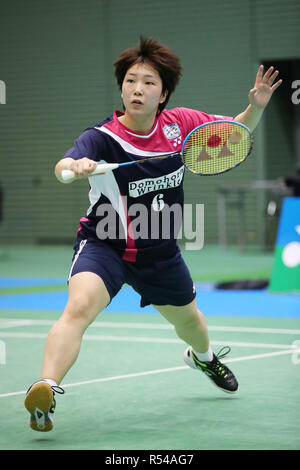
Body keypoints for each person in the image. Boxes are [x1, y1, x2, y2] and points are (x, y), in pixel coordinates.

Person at [24, 37, 282, 432]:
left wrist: (256, 108)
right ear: (121, 88)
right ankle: (46, 388)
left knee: (191, 324)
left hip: (160, 253)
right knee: (77, 309)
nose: (137, 89)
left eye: (148, 82)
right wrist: (74, 166)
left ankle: (203, 357)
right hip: (104, 245)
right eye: (130, 81)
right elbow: (64, 164)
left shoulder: (182, 125)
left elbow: (234, 136)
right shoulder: (102, 137)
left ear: (163, 94)